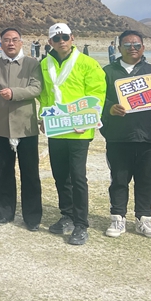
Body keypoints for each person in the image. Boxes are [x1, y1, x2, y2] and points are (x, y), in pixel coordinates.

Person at [101, 31, 151, 239]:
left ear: (143, 47)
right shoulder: (107, 72)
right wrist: (109, 108)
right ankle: (118, 217)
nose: (132, 48)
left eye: (136, 45)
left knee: (146, 181)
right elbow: (96, 99)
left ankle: (144, 219)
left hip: (149, 137)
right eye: (127, 45)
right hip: (118, 137)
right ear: (119, 48)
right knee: (119, 179)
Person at [39, 22, 106, 245]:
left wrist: (88, 119)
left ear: (72, 38)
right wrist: (43, 117)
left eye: (65, 37)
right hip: (56, 129)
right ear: (50, 42)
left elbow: (97, 93)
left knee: (78, 177)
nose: (62, 42)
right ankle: (66, 214)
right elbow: (44, 95)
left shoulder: (87, 63)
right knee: (60, 175)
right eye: (56, 39)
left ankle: (81, 224)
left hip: (79, 130)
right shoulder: (44, 64)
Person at [0, 28, 42, 230]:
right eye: (6, 40)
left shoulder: (32, 64)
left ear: (21, 43)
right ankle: (5, 213)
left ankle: (32, 218)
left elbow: (36, 88)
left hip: (26, 126)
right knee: (5, 171)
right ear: (0, 43)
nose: (10, 43)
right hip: (1, 126)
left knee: (30, 173)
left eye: (15, 40)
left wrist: (14, 93)